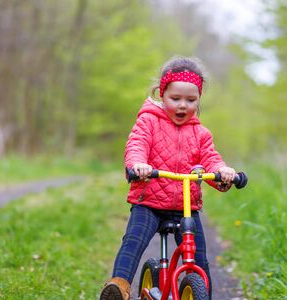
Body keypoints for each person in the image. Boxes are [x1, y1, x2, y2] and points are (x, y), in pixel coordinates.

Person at [99, 56, 236, 300]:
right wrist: (138, 164)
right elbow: (136, 145)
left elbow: (211, 160)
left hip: (185, 207)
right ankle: (118, 287)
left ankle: (202, 294)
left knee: (199, 259)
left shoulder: (201, 133)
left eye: (191, 100)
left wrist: (223, 173)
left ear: (198, 100)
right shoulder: (148, 122)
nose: (183, 105)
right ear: (162, 95)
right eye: (176, 99)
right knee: (134, 240)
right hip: (149, 200)